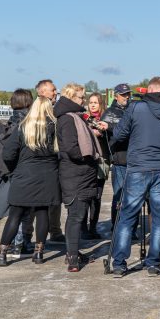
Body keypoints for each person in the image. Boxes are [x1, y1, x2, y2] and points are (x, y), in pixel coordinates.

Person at [109, 76, 160, 276]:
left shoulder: (136, 108)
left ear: (150, 90)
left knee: (127, 215)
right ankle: (154, 263)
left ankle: (119, 263)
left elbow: (119, 134)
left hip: (138, 168)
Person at [0, 96, 60, 266]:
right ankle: (39, 253)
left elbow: (8, 154)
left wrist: (15, 169)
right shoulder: (55, 127)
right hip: (48, 177)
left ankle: (2, 253)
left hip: (24, 176)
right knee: (42, 213)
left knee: (15, 216)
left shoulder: (23, 128)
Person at [53, 83, 102, 272]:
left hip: (80, 174)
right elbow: (72, 149)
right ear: (72, 98)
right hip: (75, 174)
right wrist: (89, 157)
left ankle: (72, 252)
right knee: (76, 216)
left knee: (77, 215)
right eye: (81, 97)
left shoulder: (75, 117)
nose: (84, 100)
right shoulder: (67, 119)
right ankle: (73, 258)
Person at [0, 88, 36, 258]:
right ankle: (23, 242)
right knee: (26, 211)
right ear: (28, 102)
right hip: (25, 171)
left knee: (15, 211)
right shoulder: (27, 122)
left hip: (10, 171)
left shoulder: (10, 121)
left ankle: (16, 243)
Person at [36, 79, 64, 242]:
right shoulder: (34, 114)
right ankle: (28, 236)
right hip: (39, 163)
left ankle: (55, 230)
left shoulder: (56, 111)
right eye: (52, 90)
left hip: (54, 162)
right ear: (41, 92)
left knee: (55, 199)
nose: (55, 93)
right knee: (35, 203)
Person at [102, 83, 132, 227]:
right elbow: (113, 136)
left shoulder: (133, 110)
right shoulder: (109, 113)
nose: (127, 97)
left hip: (133, 159)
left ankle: (130, 228)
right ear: (116, 96)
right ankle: (116, 226)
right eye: (124, 94)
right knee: (119, 196)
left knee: (133, 197)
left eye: (128, 94)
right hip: (119, 160)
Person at [84, 91, 109, 238]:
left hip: (101, 161)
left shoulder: (105, 120)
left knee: (97, 197)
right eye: (91, 102)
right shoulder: (84, 119)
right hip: (88, 161)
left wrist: (103, 132)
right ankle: (83, 228)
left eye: (96, 102)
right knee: (86, 195)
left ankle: (93, 227)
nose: (92, 105)